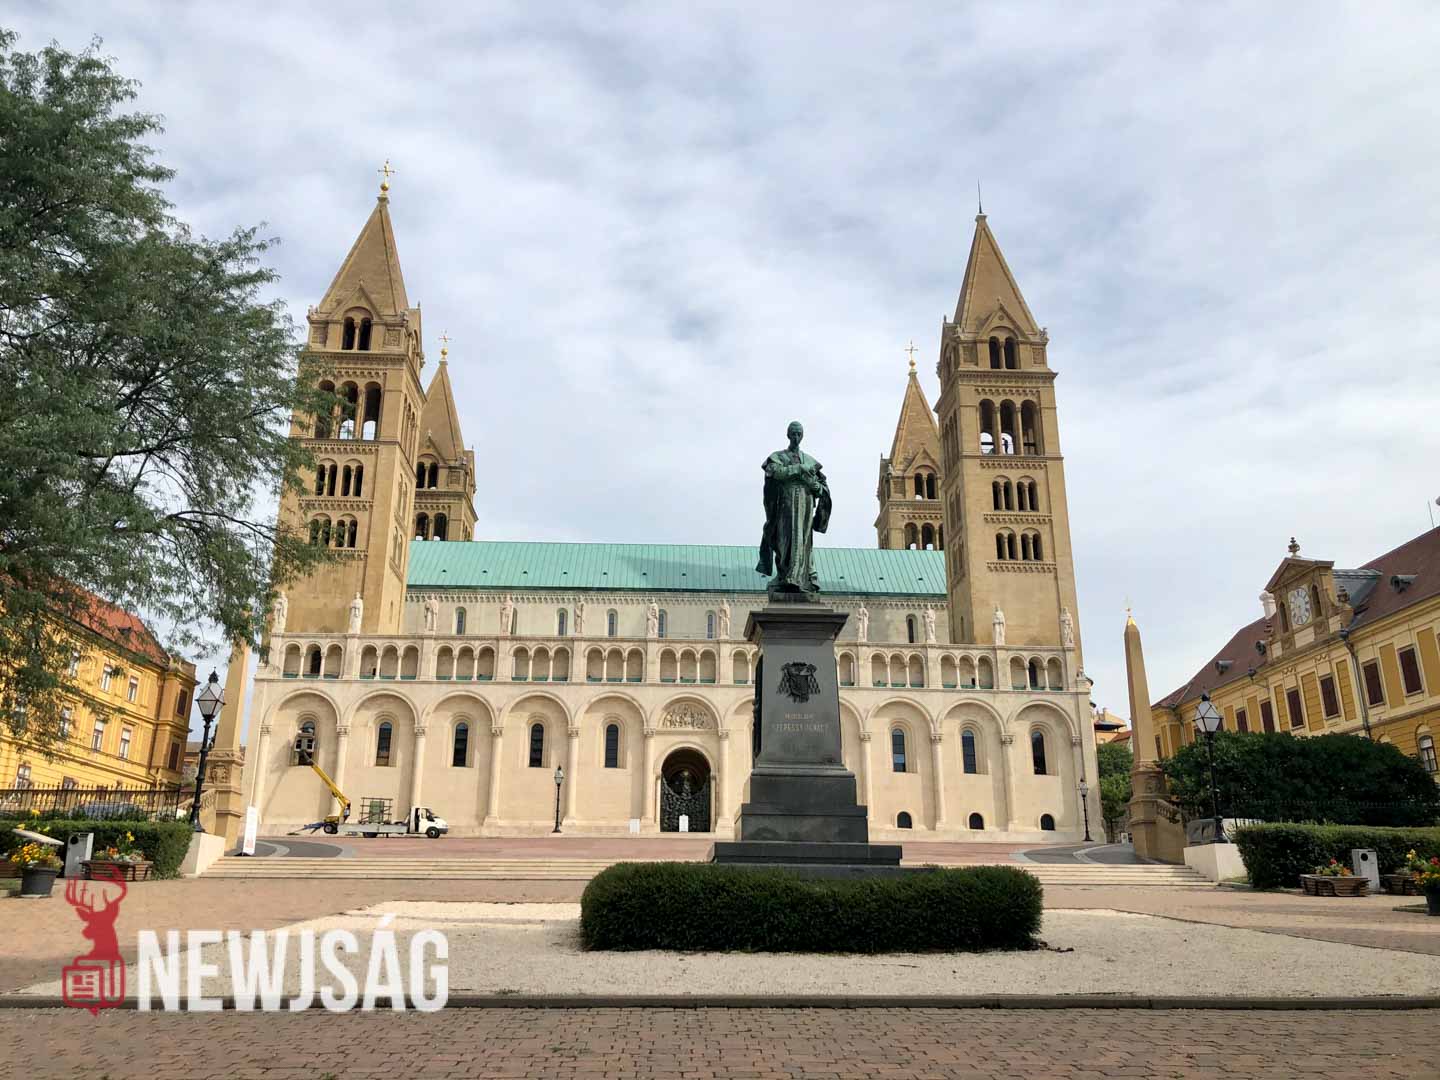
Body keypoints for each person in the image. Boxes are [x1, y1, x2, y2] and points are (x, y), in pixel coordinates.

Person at [756, 421, 832, 594]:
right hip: (785, 504)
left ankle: (802, 578)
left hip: (805, 504)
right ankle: (784, 576)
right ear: (788, 435)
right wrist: (798, 469)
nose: (796, 437)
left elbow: (822, 489)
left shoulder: (811, 461)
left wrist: (815, 486)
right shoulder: (778, 457)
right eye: (793, 434)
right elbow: (775, 472)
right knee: (784, 540)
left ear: (802, 436)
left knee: (803, 541)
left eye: (799, 434)